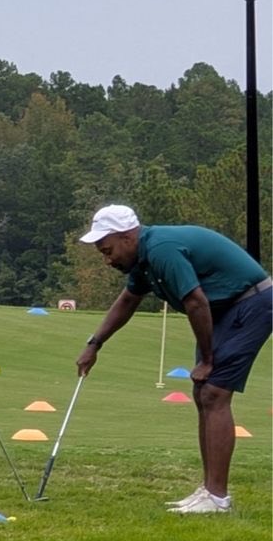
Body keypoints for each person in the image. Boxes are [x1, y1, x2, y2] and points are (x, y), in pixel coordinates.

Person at [76, 204, 272, 514]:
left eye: (108, 249)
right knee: (203, 393)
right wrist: (94, 343)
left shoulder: (161, 250)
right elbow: (127, 301)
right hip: (225, 310)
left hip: (251, 303)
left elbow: (195, 302)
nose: (107, 259)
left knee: (214, 392)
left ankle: (218, 499)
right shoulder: (141, 261)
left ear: (127, 237)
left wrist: (207, 359)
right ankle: (210, 490)